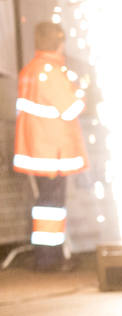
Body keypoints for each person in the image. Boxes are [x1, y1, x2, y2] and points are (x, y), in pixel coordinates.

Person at [13, 21, 87, 271]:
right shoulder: (51, 72)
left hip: (37, 148)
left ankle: (46, 256)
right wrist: (81, 92)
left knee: (45, 205)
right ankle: (49, 259)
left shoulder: (30, 70)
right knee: (51, 207)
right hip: (51, 150)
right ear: (58, 42)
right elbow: (71, 108)